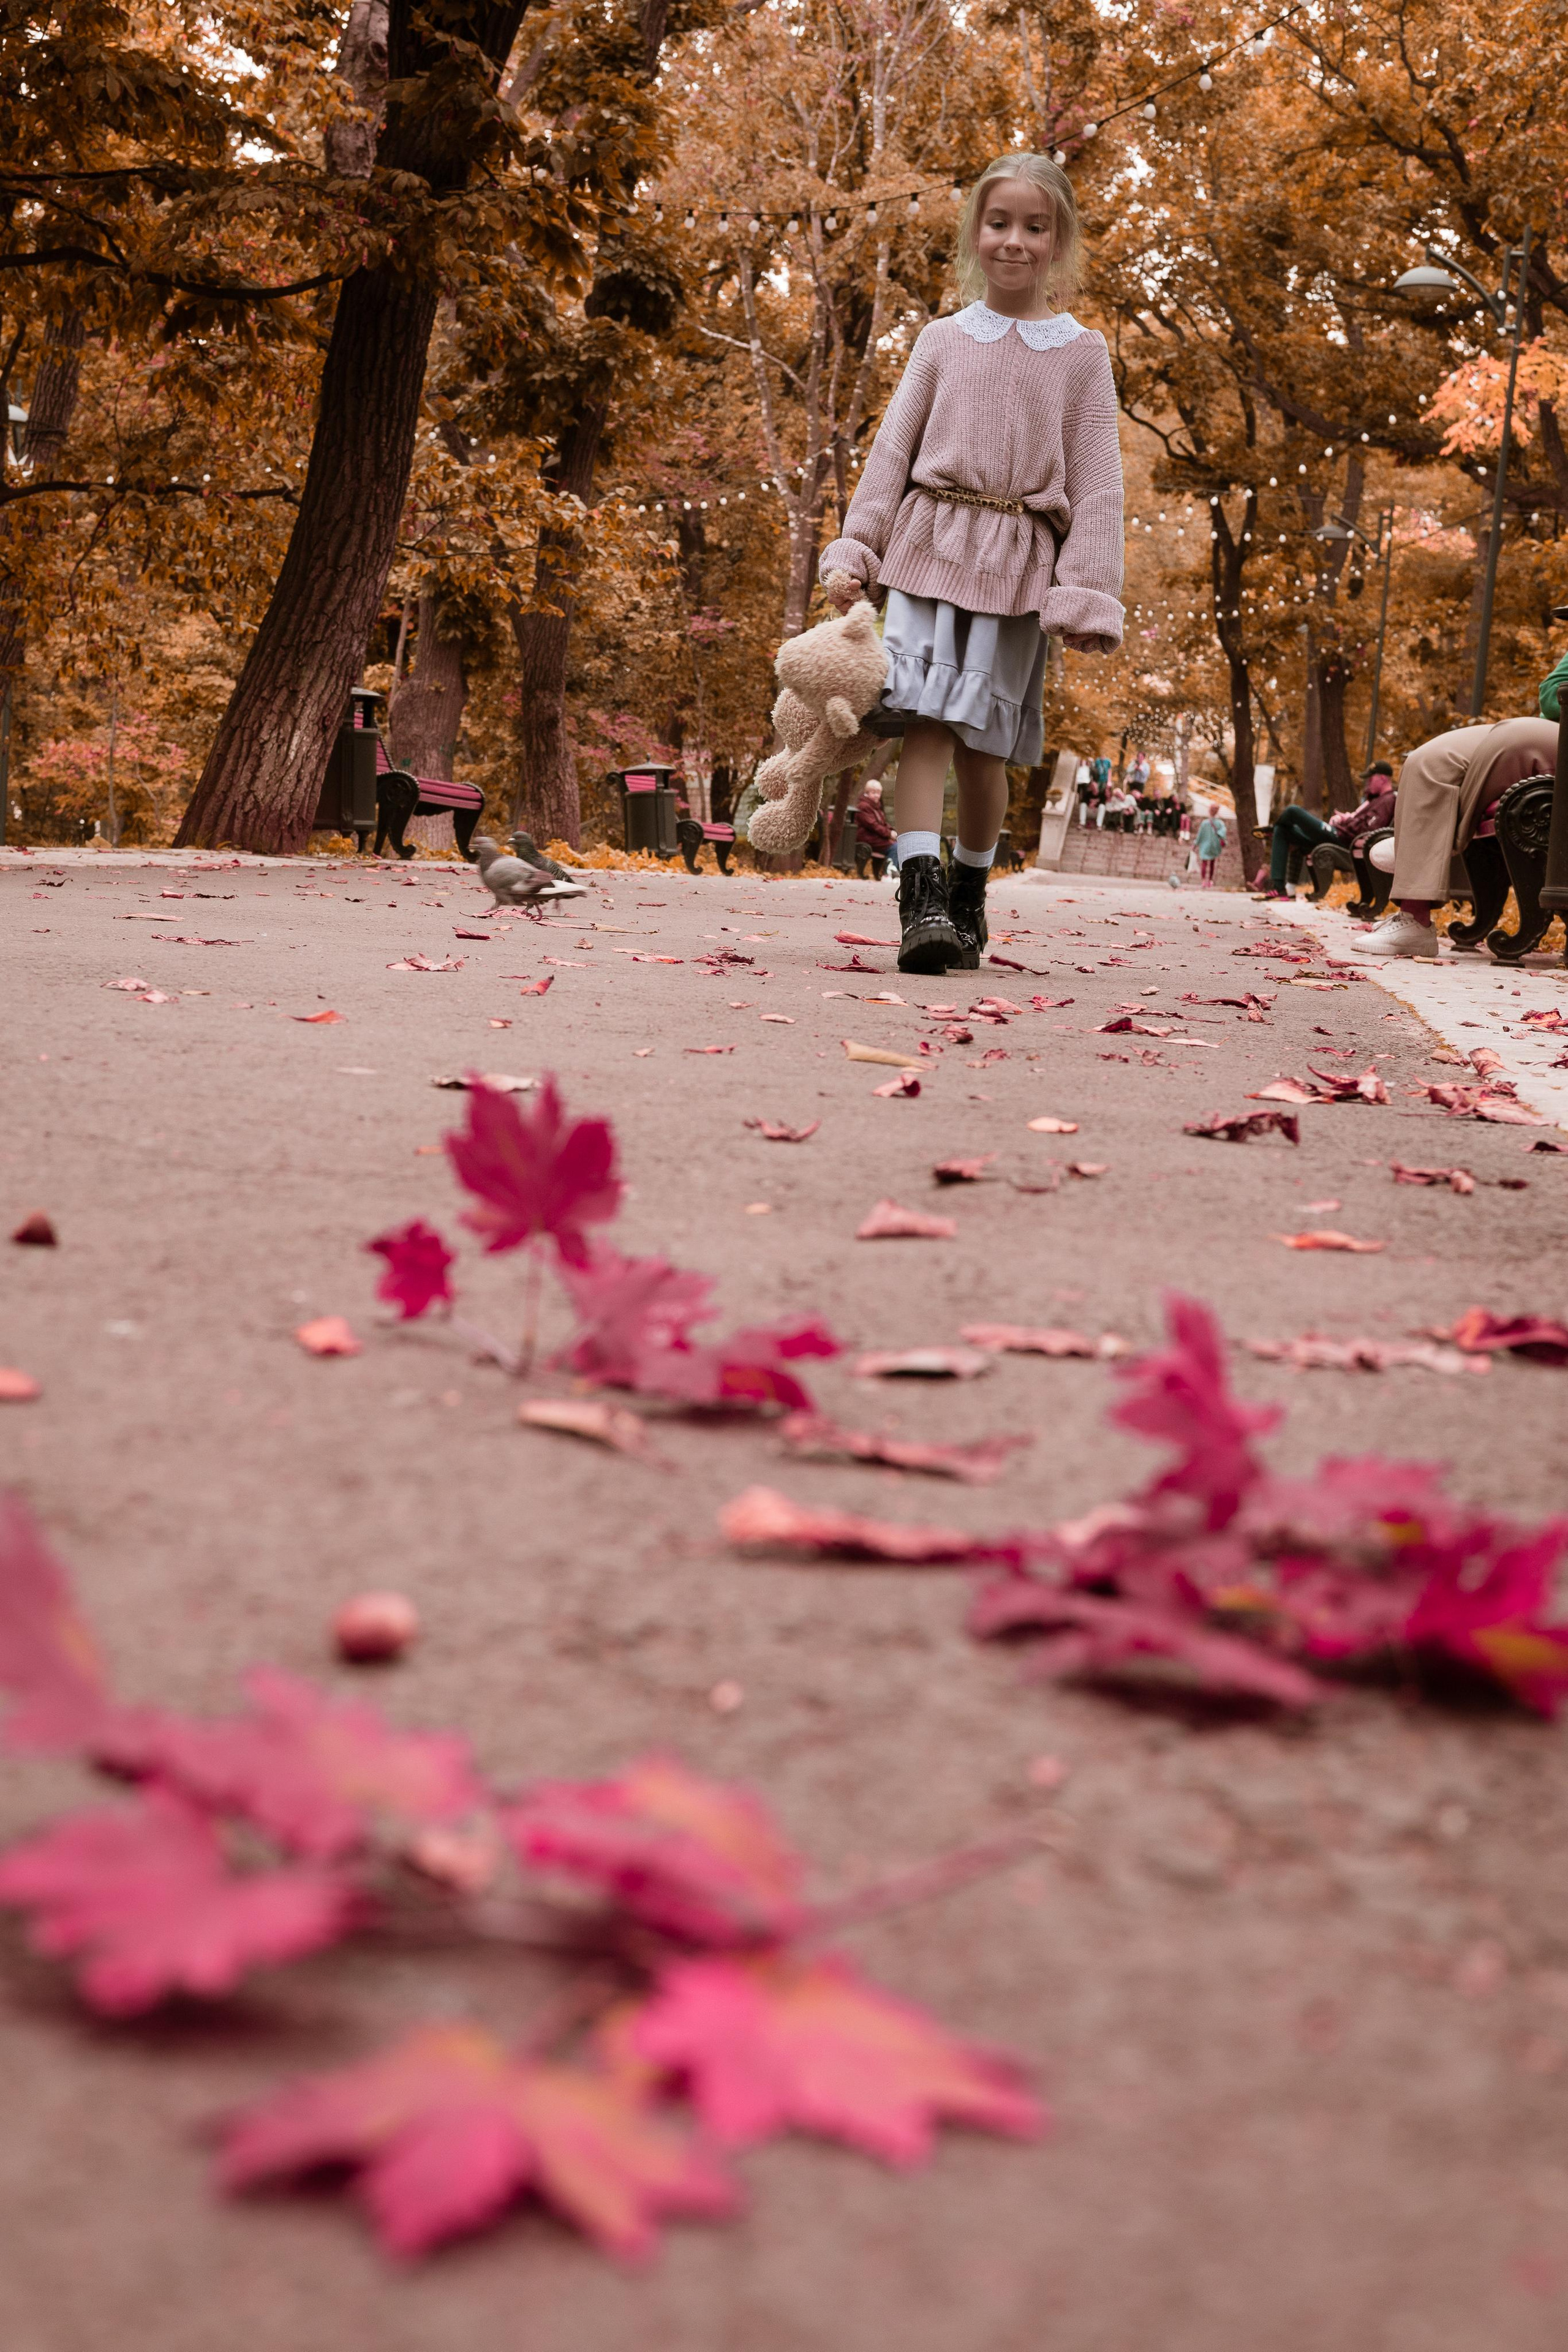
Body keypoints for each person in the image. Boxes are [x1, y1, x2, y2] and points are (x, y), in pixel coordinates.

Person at [820, 151, 1124, 971]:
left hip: (1019, 565)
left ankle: (967, 893)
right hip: (927, 547)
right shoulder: (941, 340)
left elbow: (1099, 481)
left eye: (1034, 227)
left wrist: (1086, 589)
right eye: (999, 224)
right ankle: (917, 897)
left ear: (1057, 242)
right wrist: (860, 544)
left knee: (985, 750)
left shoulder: (1081, 354)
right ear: (976, 234)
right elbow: (892, 451)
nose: (1014, 241)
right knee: (922, 723)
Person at [1353, 715, 1558, 959]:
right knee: (1426, 760)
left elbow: (1552, 696)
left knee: (1436, 764)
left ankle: (1421, 855)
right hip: (1538, 726)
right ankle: (1418, 848)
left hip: (1546, 731)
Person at [1257, 762, 1397, 897]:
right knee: (1282, 831)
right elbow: (1358, 818)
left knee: (1293, 811)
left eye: (1371, 779)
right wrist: (1344, 819)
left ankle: (1271, 829)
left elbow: (1371, 830)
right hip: (1339, 834)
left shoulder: (1388, 800)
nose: (1368, 783)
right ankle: (1279, 888)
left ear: (1383, 778)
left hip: (1343, 838)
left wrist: (1350, 828)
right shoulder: (1374, 800)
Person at [851, 775, 895, 878]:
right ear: (867, 793)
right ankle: (888, 874)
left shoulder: (876, 806)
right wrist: (889, 834)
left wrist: (893, 831)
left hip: (876, 838)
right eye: (874, 793)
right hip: (867, 838)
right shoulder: (864, 806)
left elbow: (883, 824)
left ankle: (889, 872)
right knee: (895, 847)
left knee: (897, 844)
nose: (877, 796)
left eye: (878, 793)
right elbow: (873, 825)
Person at [1194, 806, 1227, 885]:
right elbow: (1223, 833)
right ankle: (1210, 881)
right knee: (1212, 863)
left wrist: (1195, 844)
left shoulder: (1205, 823)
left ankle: (1203, 881)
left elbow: (1200, 835)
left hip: (1205, 845)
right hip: (1215, 845)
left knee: (1204, 863)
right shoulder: (1220, 823)